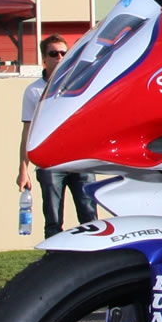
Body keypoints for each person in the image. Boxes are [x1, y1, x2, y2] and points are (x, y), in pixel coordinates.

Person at [19, 36, 95, 235]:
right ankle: (54, 252)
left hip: (79, 160)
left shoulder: (80, 84)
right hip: (50, 162)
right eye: (54, 54)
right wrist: (23, 169)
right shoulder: (34, 91)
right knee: (53, 220)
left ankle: (93, 252)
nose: (59, 57)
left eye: (63, 53)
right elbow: (28, 132)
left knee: (89, 216)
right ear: (44, 59)